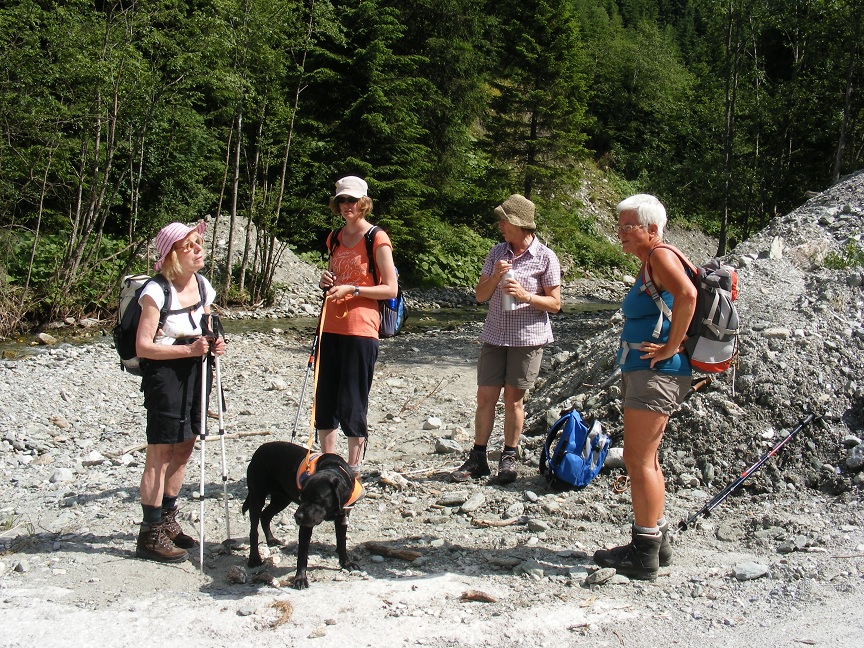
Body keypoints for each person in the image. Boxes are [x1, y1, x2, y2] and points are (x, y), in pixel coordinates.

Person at [592, 194, 696, 580]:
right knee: (647, 459)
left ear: (651, 229)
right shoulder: (654, 260)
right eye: (618, 225)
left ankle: (643, 553)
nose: (620, 233)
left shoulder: (660, 257)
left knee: (637, 460)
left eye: (627, 226)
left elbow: (688, 295)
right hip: (653, 372)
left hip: (656, 374)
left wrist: (670, 346)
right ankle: (657, 540)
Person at [451, 194, 561, 484]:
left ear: (519, 224)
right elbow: (480, 295)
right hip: (495, 334)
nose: (500, 225)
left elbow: (556, 304)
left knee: (514, 399)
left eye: (504, 220)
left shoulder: (545, 257)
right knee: (485, 396)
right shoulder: (497, 252)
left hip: (527, 338)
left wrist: (526, 296)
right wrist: (494, 277)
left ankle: (509, 456)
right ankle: (478, 457)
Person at [134, 221, 226, 563]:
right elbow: (144, 347)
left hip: (197, 370)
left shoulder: (203, 285)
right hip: (166, 373)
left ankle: (168, 518)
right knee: (160, 451)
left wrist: (215, 342)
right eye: (190, 246)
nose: (199, 250)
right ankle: (150, 531)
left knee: (185, 445)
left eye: (199, 243)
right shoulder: (155, 291)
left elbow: (206, 325)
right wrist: (189, 350)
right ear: (172, 254)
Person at [317, 176, 398, 475]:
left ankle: (352, 467)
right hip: (330, 325)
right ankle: (328, 462)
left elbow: (390, 289)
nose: (346, 206)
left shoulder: (376, 238)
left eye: (352, 200)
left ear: (363, 203)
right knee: (325, 396)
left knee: (353, 398)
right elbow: (331, 276)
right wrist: (326, 281)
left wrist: (354, 290)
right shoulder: (334, 237)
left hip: (361, 327)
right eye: (341, 200)